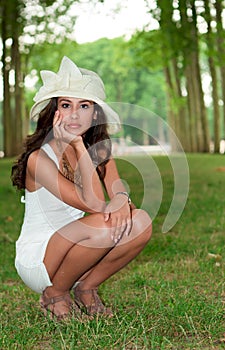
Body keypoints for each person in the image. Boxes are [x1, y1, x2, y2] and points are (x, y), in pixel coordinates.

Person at [11, 56, 152, 320]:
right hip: (40, 256)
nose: (74, 114)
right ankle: (55, 292)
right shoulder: (38, 159)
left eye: (84, 105)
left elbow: (116, 189)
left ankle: (86, 287)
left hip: (82, 244)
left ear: (94, 113)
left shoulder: (100, 152)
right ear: (55, 112)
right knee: (105, 225)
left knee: (141, 221)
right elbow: (96, 204)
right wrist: (76, 145)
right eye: (66, 105)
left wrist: (122, 198)